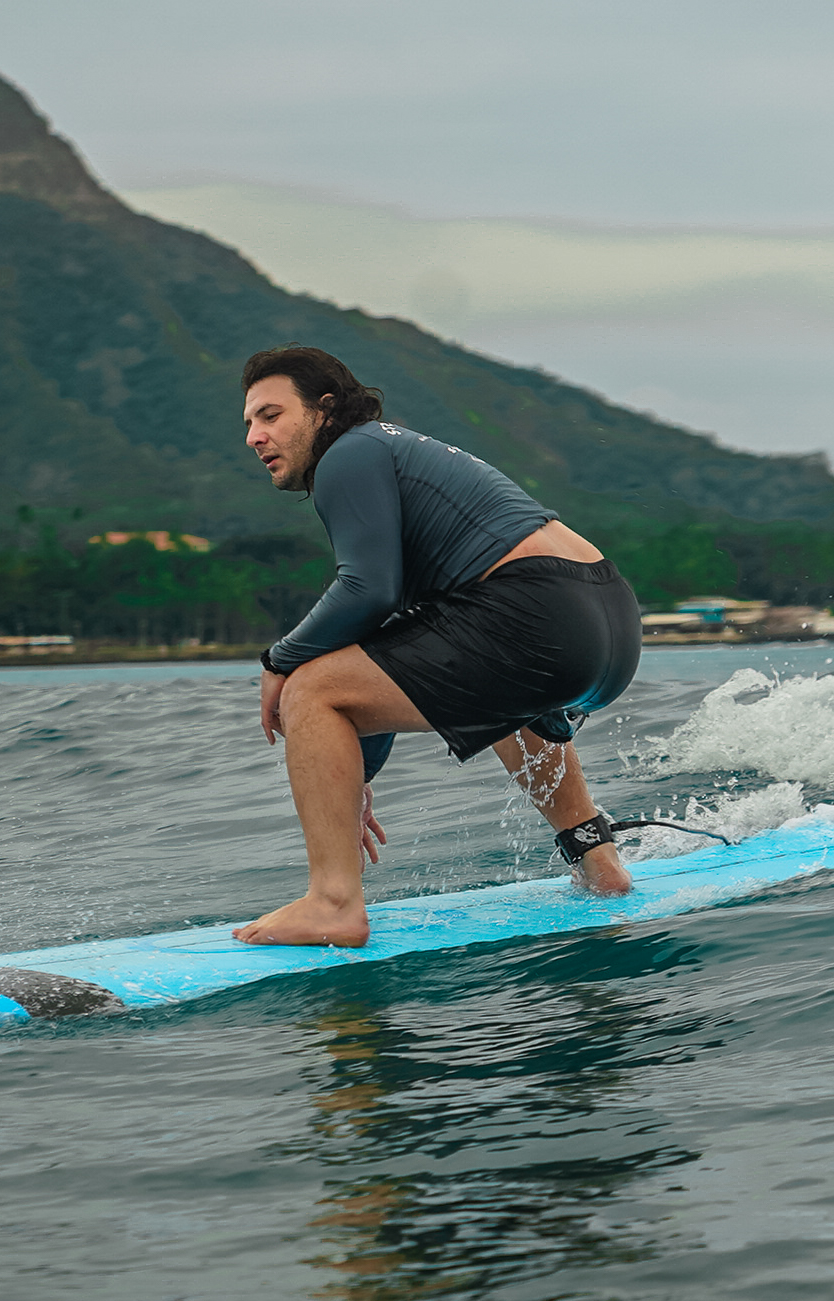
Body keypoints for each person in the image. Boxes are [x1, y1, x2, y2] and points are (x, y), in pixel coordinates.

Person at [235, 345, 643, 947]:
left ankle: (333, 903)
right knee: (503, 702)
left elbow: (366, 592)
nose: (254, 436)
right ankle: (600, 866)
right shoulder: (390, 449)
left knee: (310, 689)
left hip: (535, 613)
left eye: (270, 415)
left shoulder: (349, 454)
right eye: (248, 422)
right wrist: (348, 772)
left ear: (325, 410)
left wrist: (279, 660)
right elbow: (389, 636)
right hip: (606, 620)